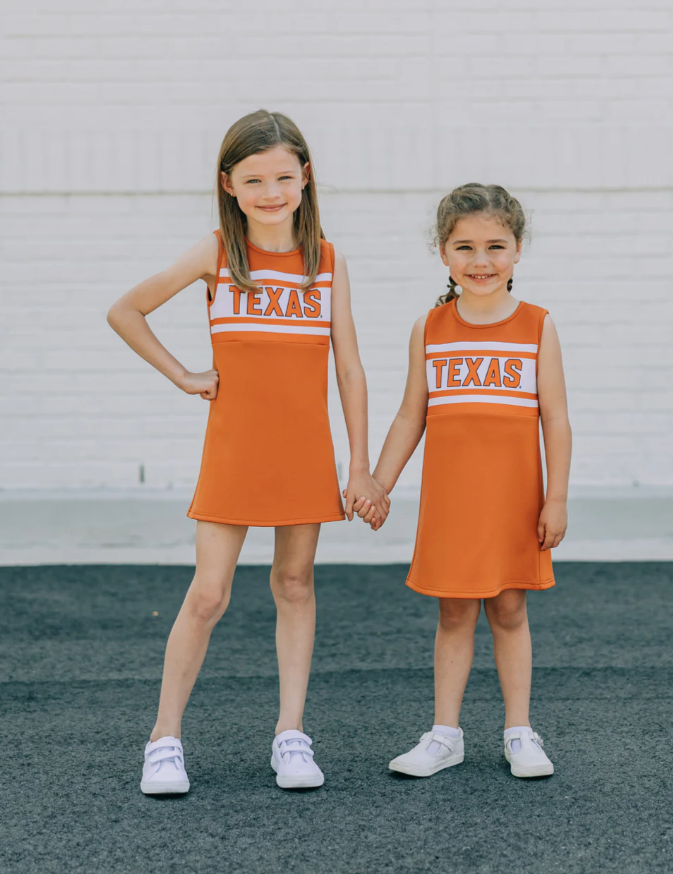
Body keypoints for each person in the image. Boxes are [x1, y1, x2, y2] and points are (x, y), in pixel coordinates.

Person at [107, 109, 389, 794]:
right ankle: (163, 740)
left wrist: (359, 465)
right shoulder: (215, 255)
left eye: (283, 177)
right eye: (254, 178)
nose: (271, 192)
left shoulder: (327, 260)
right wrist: (185, 375)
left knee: (294, 586)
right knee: (208, 594)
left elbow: (349, 369)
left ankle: (291, 736)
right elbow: (126, 310)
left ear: (305, 178)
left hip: (304, 452)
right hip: (235, 451)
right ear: (228, 183)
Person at [355, 183, 571, 779]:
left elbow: (555, 417)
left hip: (514, 501)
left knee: (508, 608)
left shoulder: (536, 327)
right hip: (452, 502)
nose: (481, 261)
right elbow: (410, 415)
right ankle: (445, 735)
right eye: (465, 247)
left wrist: (556, 496)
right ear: (443, 253)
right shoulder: (430, 328)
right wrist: (378, 481)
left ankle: (520, 732)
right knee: (453, 613)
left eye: (496, 246)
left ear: (518, 250)